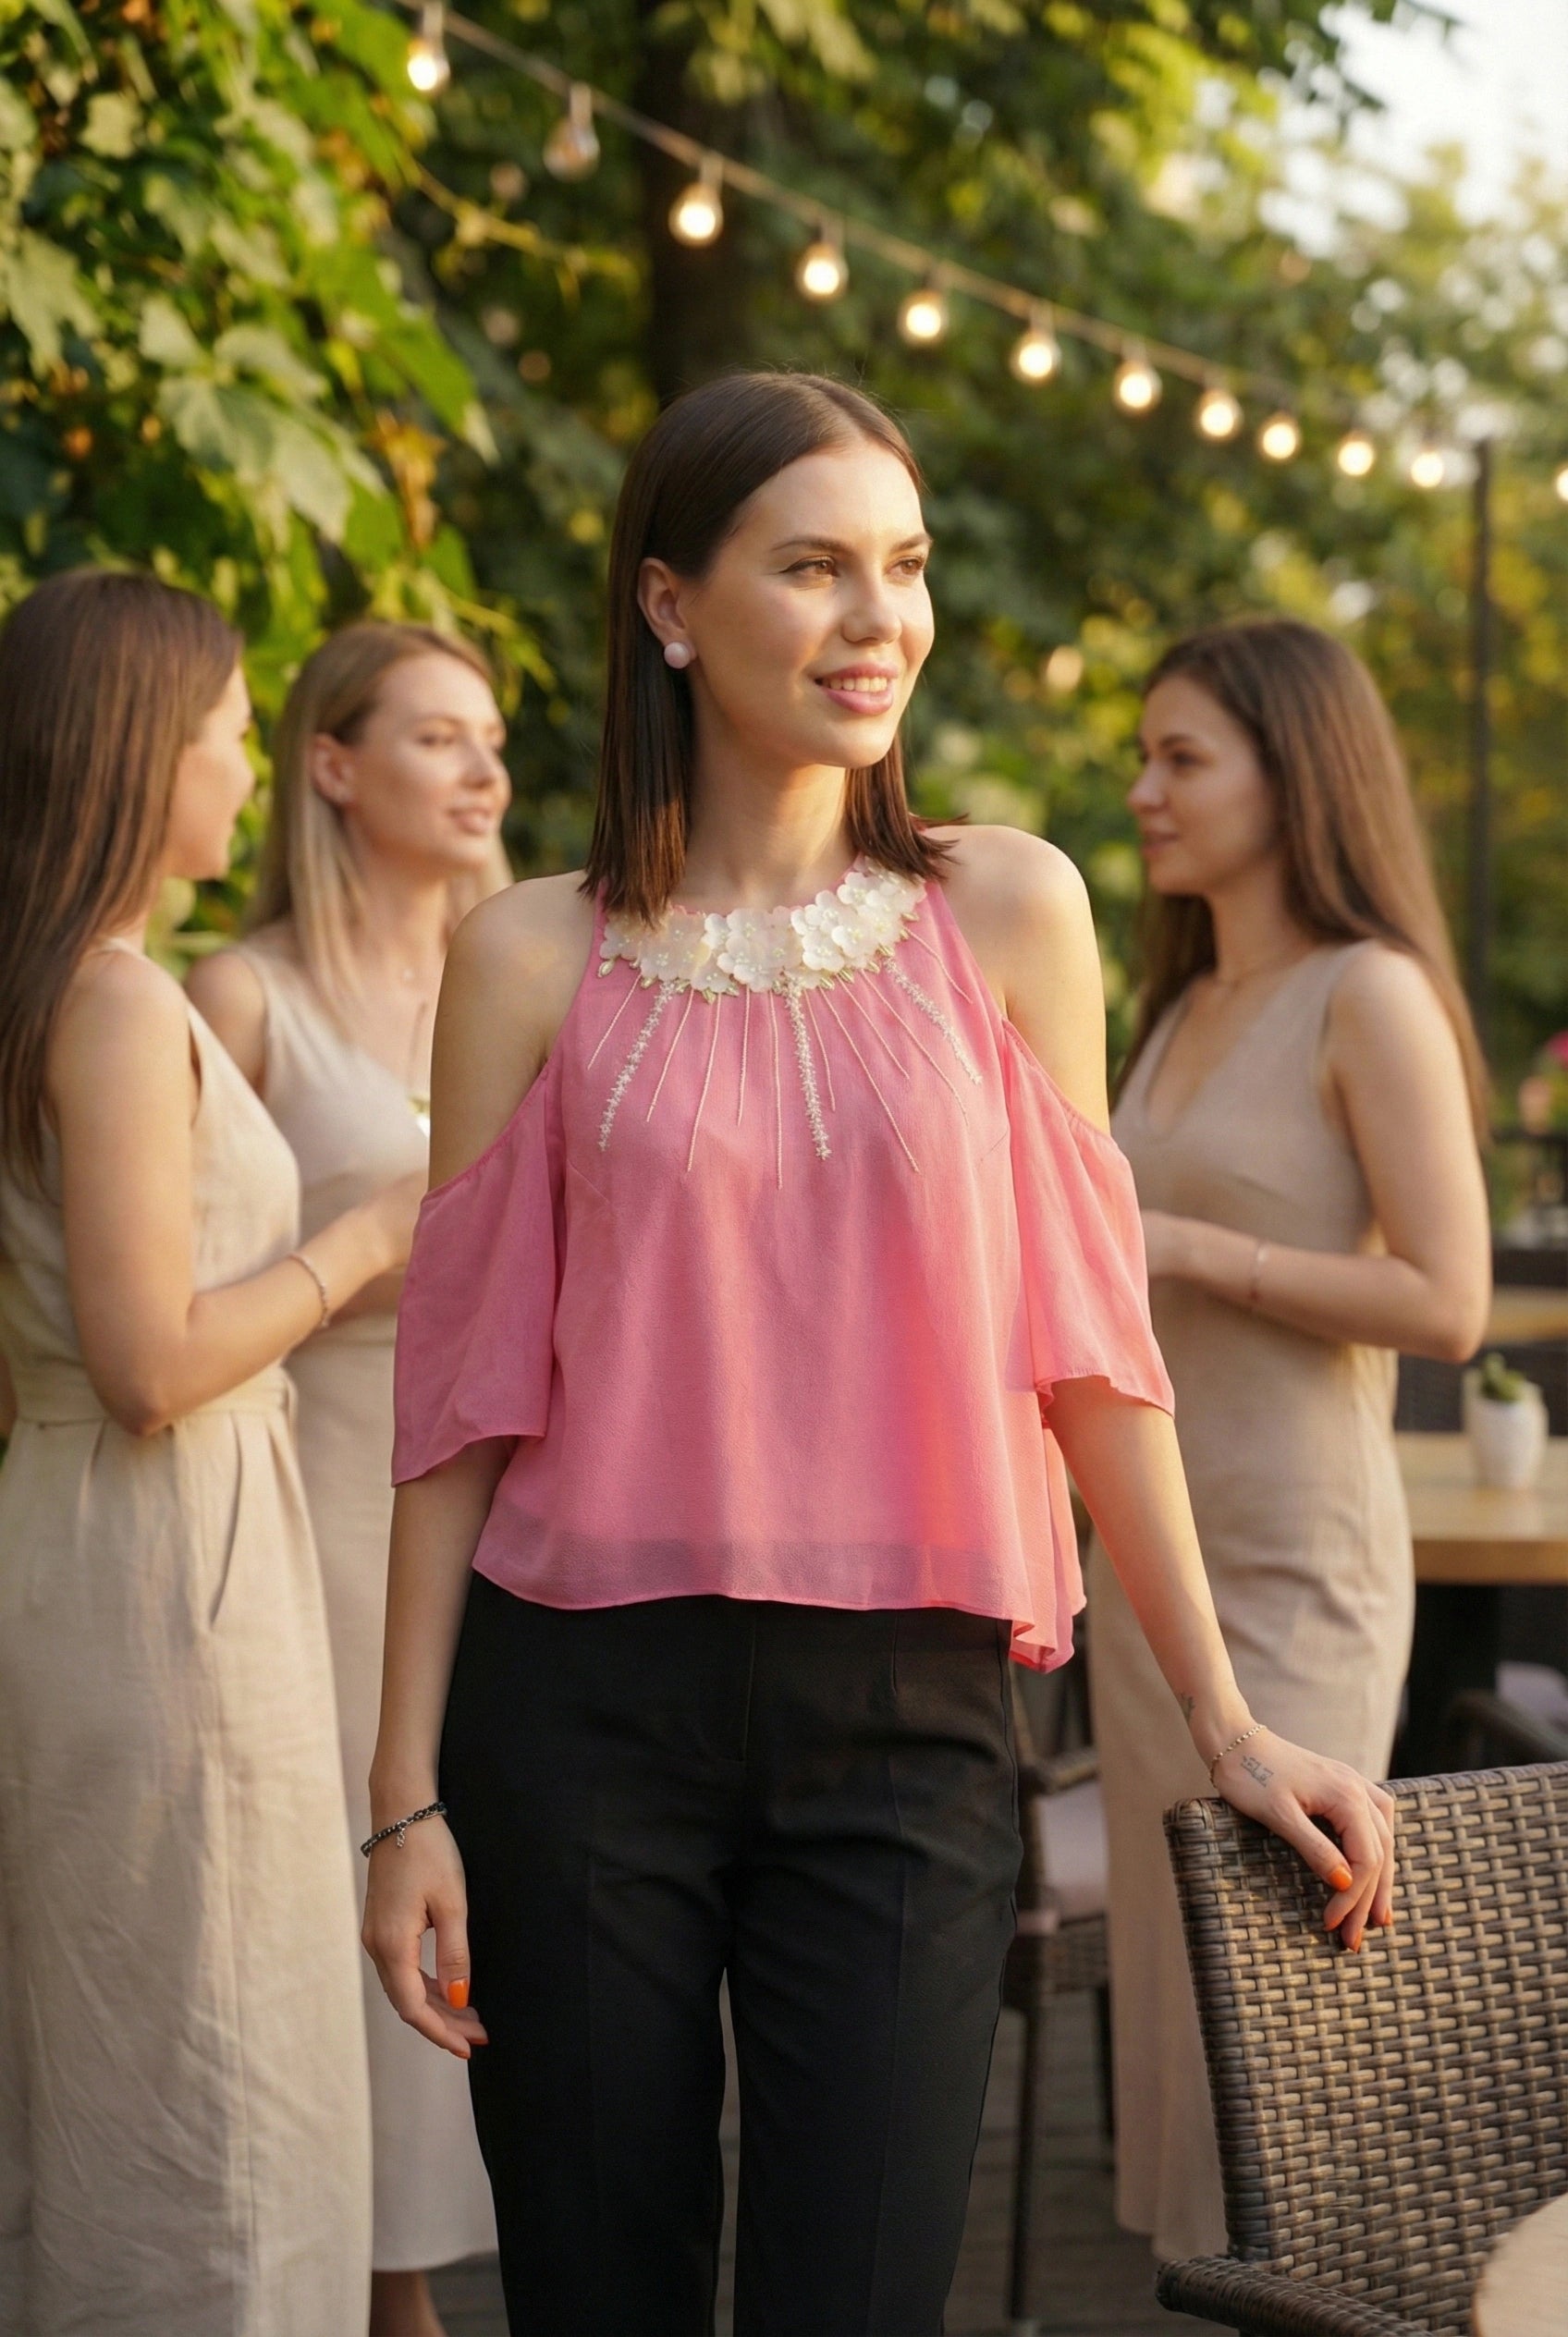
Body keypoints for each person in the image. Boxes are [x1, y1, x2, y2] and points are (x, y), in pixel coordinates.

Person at [360, 373, 1396, 2337]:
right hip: (577, 1717)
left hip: (912, 1721)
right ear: (669, 604)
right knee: (596, 2297)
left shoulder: (1006, 910)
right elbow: (455, 1412)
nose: (877, 620)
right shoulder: (520, 954)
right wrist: (401, 1796)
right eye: (812, 565)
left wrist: (1226, 1714)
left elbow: (1090, 1354)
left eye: (901, 567)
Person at [0, 570, 423, 2337]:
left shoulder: (84, 986)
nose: (246, 775)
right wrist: (368, 1244)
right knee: (212, 2056)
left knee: (173, 2037)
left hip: (110, 1536)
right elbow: (149, 1361)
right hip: (168, 1546)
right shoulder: (109, 1004)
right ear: (132, 754)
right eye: (231, 737)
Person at [1089, 616, 1490, 2264]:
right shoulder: (1180, 1005)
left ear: (1291, 768)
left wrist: (1193, 1252)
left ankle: (1314, 2281)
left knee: (1288, 1989)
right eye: (1144, 755)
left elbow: (1449, 1300)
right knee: (1174, 2005)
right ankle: (1206, 2286)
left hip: (1298, 1558)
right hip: (1153, 1575)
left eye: (1184, 756)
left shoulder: (1366, 995)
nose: (1144, 790)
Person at [190, 622, 509, 2337]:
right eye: (439, 738)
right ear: (332, 765)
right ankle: (371, 2286)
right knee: (335, 1874)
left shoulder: (524, 969)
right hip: (312, 1490)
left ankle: (436, 2261)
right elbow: (167, 1291)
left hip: (508, 1495)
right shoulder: (243, 996)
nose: (485, 772)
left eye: (493, 742)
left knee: (489, 1870)